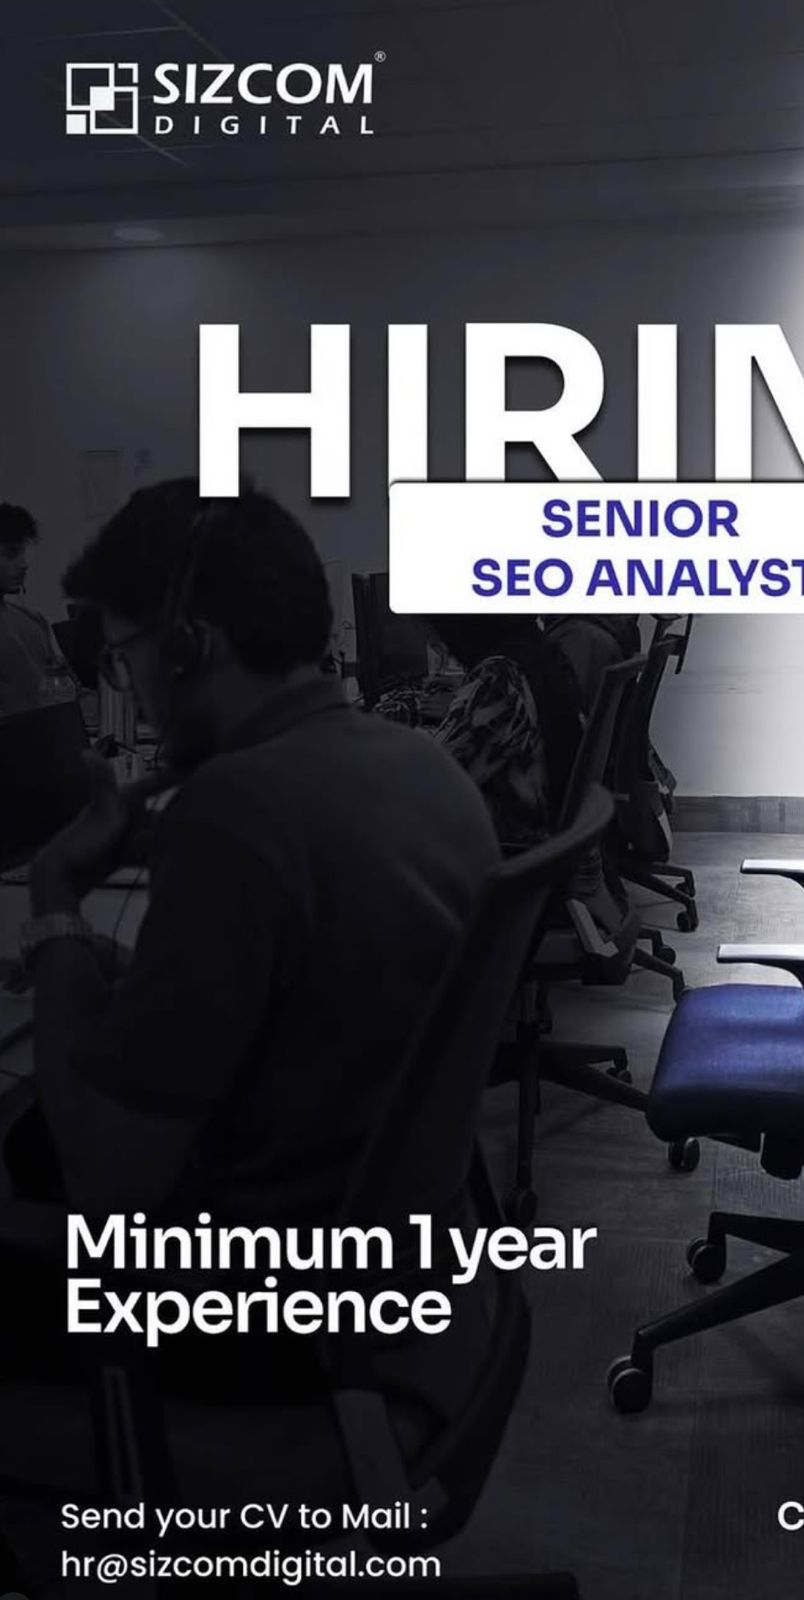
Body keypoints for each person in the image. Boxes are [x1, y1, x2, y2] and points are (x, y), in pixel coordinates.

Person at [9, 479, 500, 1223]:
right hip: (413, 1248)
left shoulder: (233, 813)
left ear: (187, 646)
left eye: (123, 659)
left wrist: (54, 902)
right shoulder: (427, 766)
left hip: (266, 1272)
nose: (130, 693)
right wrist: (142, 970)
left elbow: (106, 1181)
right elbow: (312, 1000)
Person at [430, 614, 584, 850]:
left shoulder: (499, 678)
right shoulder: (539, 652)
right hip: (546, 838)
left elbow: (431, 783)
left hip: (509, 851)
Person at [0, 503, 74, 716]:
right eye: (11, 554)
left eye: (22, 553)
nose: (24, 564)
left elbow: (63, 695)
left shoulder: (34, 620)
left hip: (51, 731)